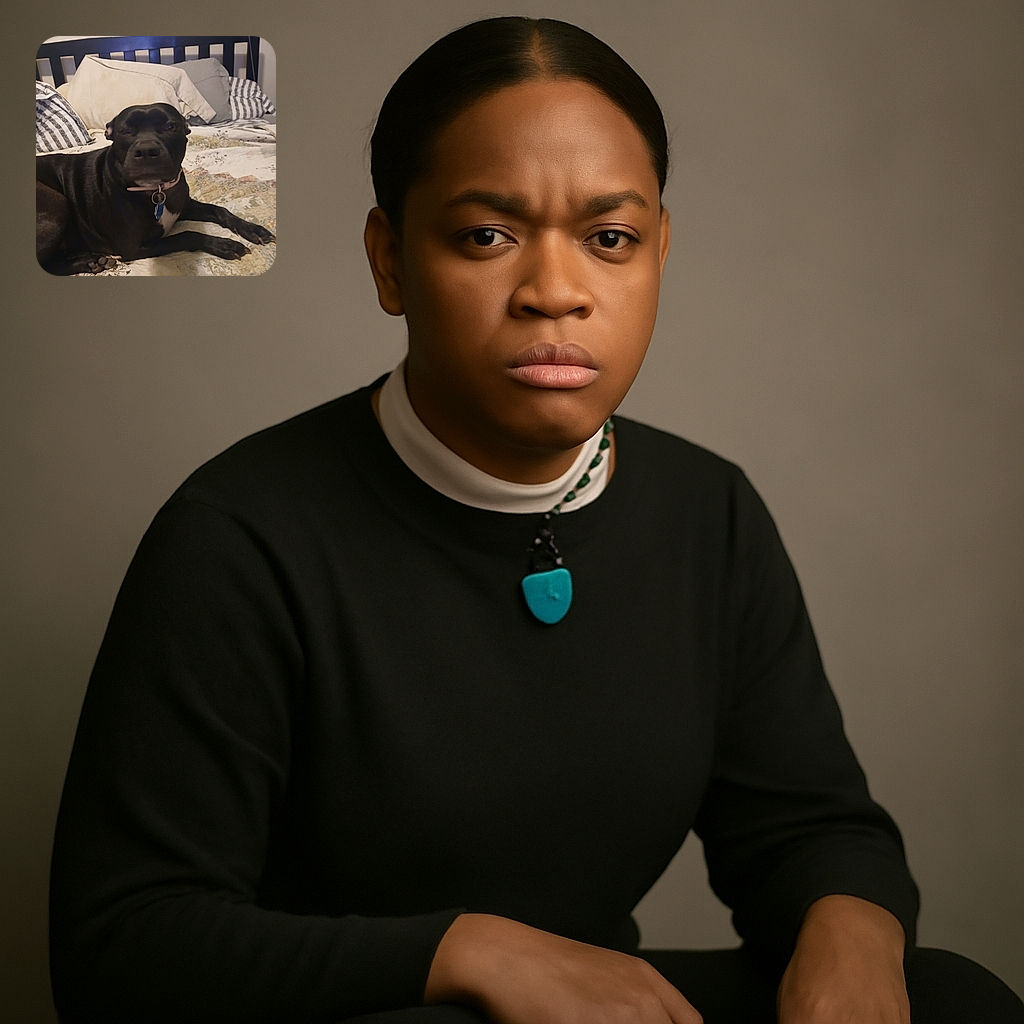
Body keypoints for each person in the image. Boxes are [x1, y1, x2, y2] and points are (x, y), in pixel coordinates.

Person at [49, 16, 1023, 1024]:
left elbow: (810, 830)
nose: (556, 292)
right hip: (362, 1013)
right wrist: (472, 951)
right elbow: (124, 947)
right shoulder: (240, 536)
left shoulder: (709, 513)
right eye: (487, 235)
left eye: (610, 240)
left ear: (659, 252)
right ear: (390, 261)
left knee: (954, 998)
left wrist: (852, 942)